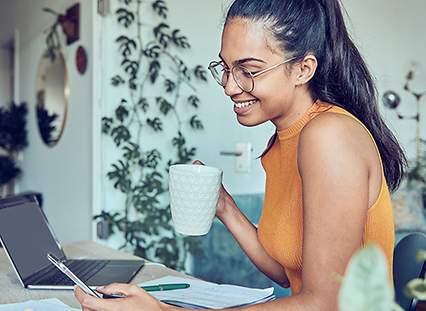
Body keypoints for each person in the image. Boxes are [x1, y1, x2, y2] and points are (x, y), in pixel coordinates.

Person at [75, 0, 406, 309]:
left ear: (303, 69)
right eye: (226, 67)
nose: (230, 85)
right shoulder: (286, 140)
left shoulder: (328, 135)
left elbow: (325, 303)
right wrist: (225, 207)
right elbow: (286, 271)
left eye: (249, 70)